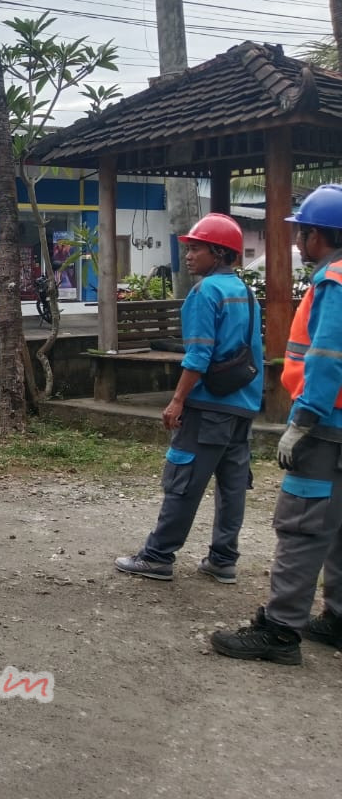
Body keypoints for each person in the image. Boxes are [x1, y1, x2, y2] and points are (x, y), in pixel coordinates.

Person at [211, 185, 342, 665]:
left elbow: (328, 360)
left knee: (302, 527)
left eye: (302, 232)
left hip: (326, 426)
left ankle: (281, 630)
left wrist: (302, 420)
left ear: (317, 236)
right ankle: (338, 619)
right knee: (340, 525)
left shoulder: (335, 282)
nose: (300, 242)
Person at [114, 213, 262, 584]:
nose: (189, 255)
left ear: (218, 251)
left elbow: (198, 356)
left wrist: (177, 399)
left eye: (196, 248)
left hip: (208, 406)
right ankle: (223, 559)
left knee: (184, 480)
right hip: (242, 405)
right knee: (232, 486)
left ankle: (158, 556)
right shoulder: (245, 292)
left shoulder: (204, 293)